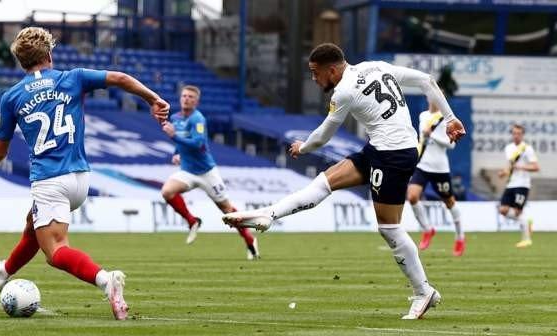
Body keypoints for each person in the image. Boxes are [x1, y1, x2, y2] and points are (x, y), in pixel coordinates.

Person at [223, 43, 466, 319]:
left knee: (389, 228)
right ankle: (269, 214)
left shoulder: (344, 92)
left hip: (394, 155)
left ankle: (424, 292)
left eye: (316, 73)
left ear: (333, 69)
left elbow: (323, 136)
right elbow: (426, 80)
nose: (314, 79)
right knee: (323, 183)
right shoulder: (375, 66)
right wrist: (450, 118)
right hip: (380, 148)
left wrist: (302, 148)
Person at [0, 27, 170, 320]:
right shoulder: (73, 77)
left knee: (55, 252)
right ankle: (2, 271)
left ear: (21, 62)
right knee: (33, 224)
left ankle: (107, 281)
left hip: (49, 180)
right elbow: (120, 78)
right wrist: (152, 99)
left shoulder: (12, 97)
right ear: (50, 56)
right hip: (80, 178)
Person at [160, 85, 259, 259]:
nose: (186, 99)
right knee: (167, 191)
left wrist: (174, 136)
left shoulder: (198, 119)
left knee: (228, 211)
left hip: (206, 173)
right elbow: (181, 141)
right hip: (188, 171)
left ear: (196, 101)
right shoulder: (175, 118)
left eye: (191, 97)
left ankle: (249, 239)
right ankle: (192, 221)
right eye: (184, 96)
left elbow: (198, 143)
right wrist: (176, 153)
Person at [407, 98, 465, 256]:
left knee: (449, 202)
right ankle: (427, 229)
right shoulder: (422, 116)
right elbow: (421, 139)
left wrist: (432, 135)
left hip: (440, 168)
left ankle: (460, 237)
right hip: (422, 165)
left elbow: (451, 144)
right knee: (412, 196)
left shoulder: (445, 119)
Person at [497, 124, 539, 248]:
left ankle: (526, 239)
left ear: (522, 135)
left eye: (519, 133)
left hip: (522, 184)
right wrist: (504, 172)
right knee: (503, 210)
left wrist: (521, 167)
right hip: (511, 183)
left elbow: (536, 167)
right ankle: (527, 222)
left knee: (517, 212)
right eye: (514, 133)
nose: (516, 135)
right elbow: (511, 166)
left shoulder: (527, 148)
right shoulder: (508, 148)